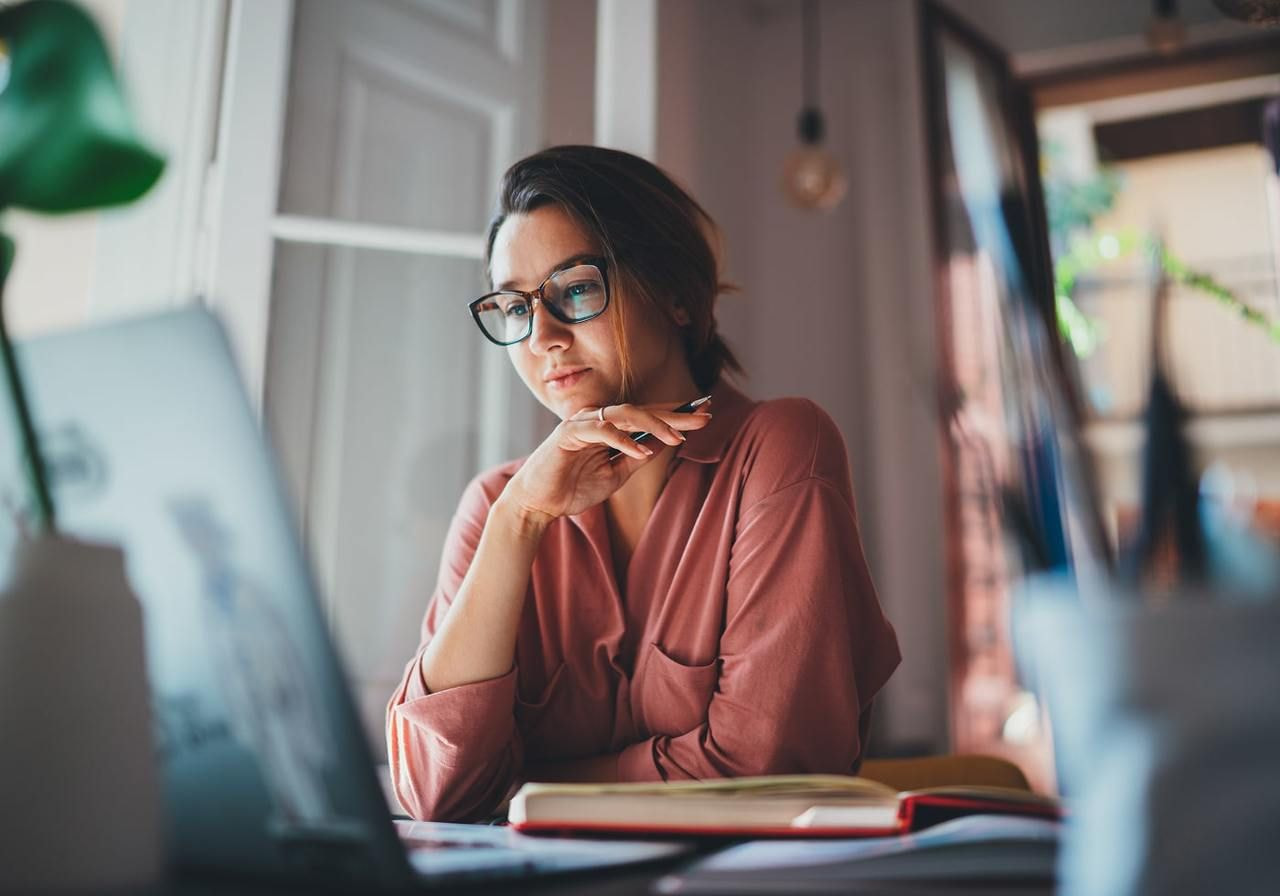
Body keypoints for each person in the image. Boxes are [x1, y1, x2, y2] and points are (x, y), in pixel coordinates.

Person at [387, 145, 900, 822]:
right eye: (514, 308)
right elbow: (434, 793)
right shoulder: (497, 506)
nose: (541, 336)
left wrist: (521, 786)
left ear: (678, 296)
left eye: (574, 289)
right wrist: (519, 523)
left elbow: (767, 772)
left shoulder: (778, 450)